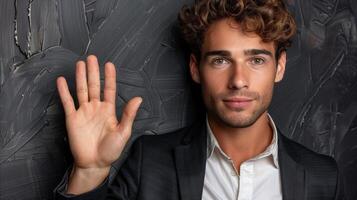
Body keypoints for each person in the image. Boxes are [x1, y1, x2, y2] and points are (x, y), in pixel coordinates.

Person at [55, 0, 343, 199]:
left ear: (279, 67)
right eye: (220, 60)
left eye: (256, 59)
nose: (238, 79)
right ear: (196, 68)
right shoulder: (151, 161)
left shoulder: (322, 177)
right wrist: (89, 172)